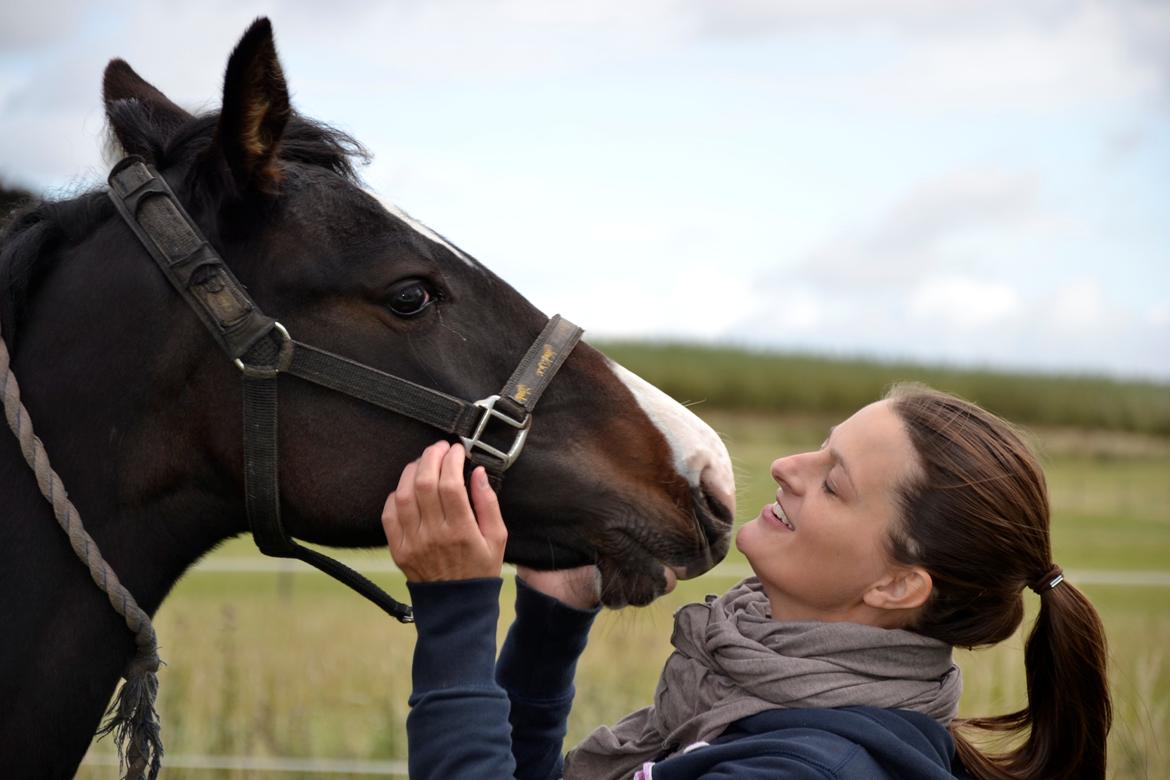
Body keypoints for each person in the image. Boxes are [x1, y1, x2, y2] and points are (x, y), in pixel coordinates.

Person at [381, 384, 1111, 779]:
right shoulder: (753, 698)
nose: (789, 468)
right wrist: (553, 618)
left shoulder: (809, 769)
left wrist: (455, 608)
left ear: (896, 587)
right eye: (820, 446)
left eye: (834, 483)